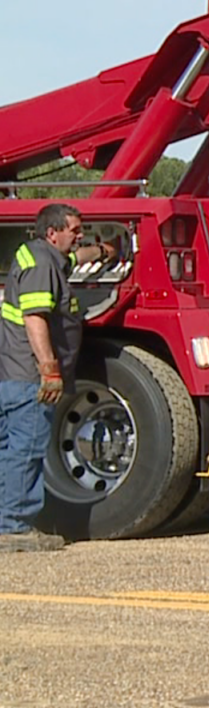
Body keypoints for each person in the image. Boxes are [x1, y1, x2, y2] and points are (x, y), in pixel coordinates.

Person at [0, 204, 116, 552]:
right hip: (30, 378)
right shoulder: (41, 267)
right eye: (75, 230)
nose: (80, 235)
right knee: (26, 449)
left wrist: (104, 252)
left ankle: (6, 521)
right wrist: (49, 369)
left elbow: (72, 258)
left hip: (13, 375)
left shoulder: (42, 257)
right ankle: (12, 528)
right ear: (53, 233)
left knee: (9, 449)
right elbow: (35, 319)